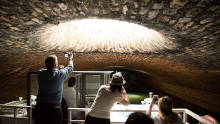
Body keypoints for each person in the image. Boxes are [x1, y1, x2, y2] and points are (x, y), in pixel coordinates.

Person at [35, 52, 74, 124]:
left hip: (40, 108)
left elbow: (45, 70)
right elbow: (70, 67)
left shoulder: (40, 73)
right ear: (56, 65)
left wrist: (57, 69)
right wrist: (70, 58)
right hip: (54, 109)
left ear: (46, 64)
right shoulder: (60, 74)